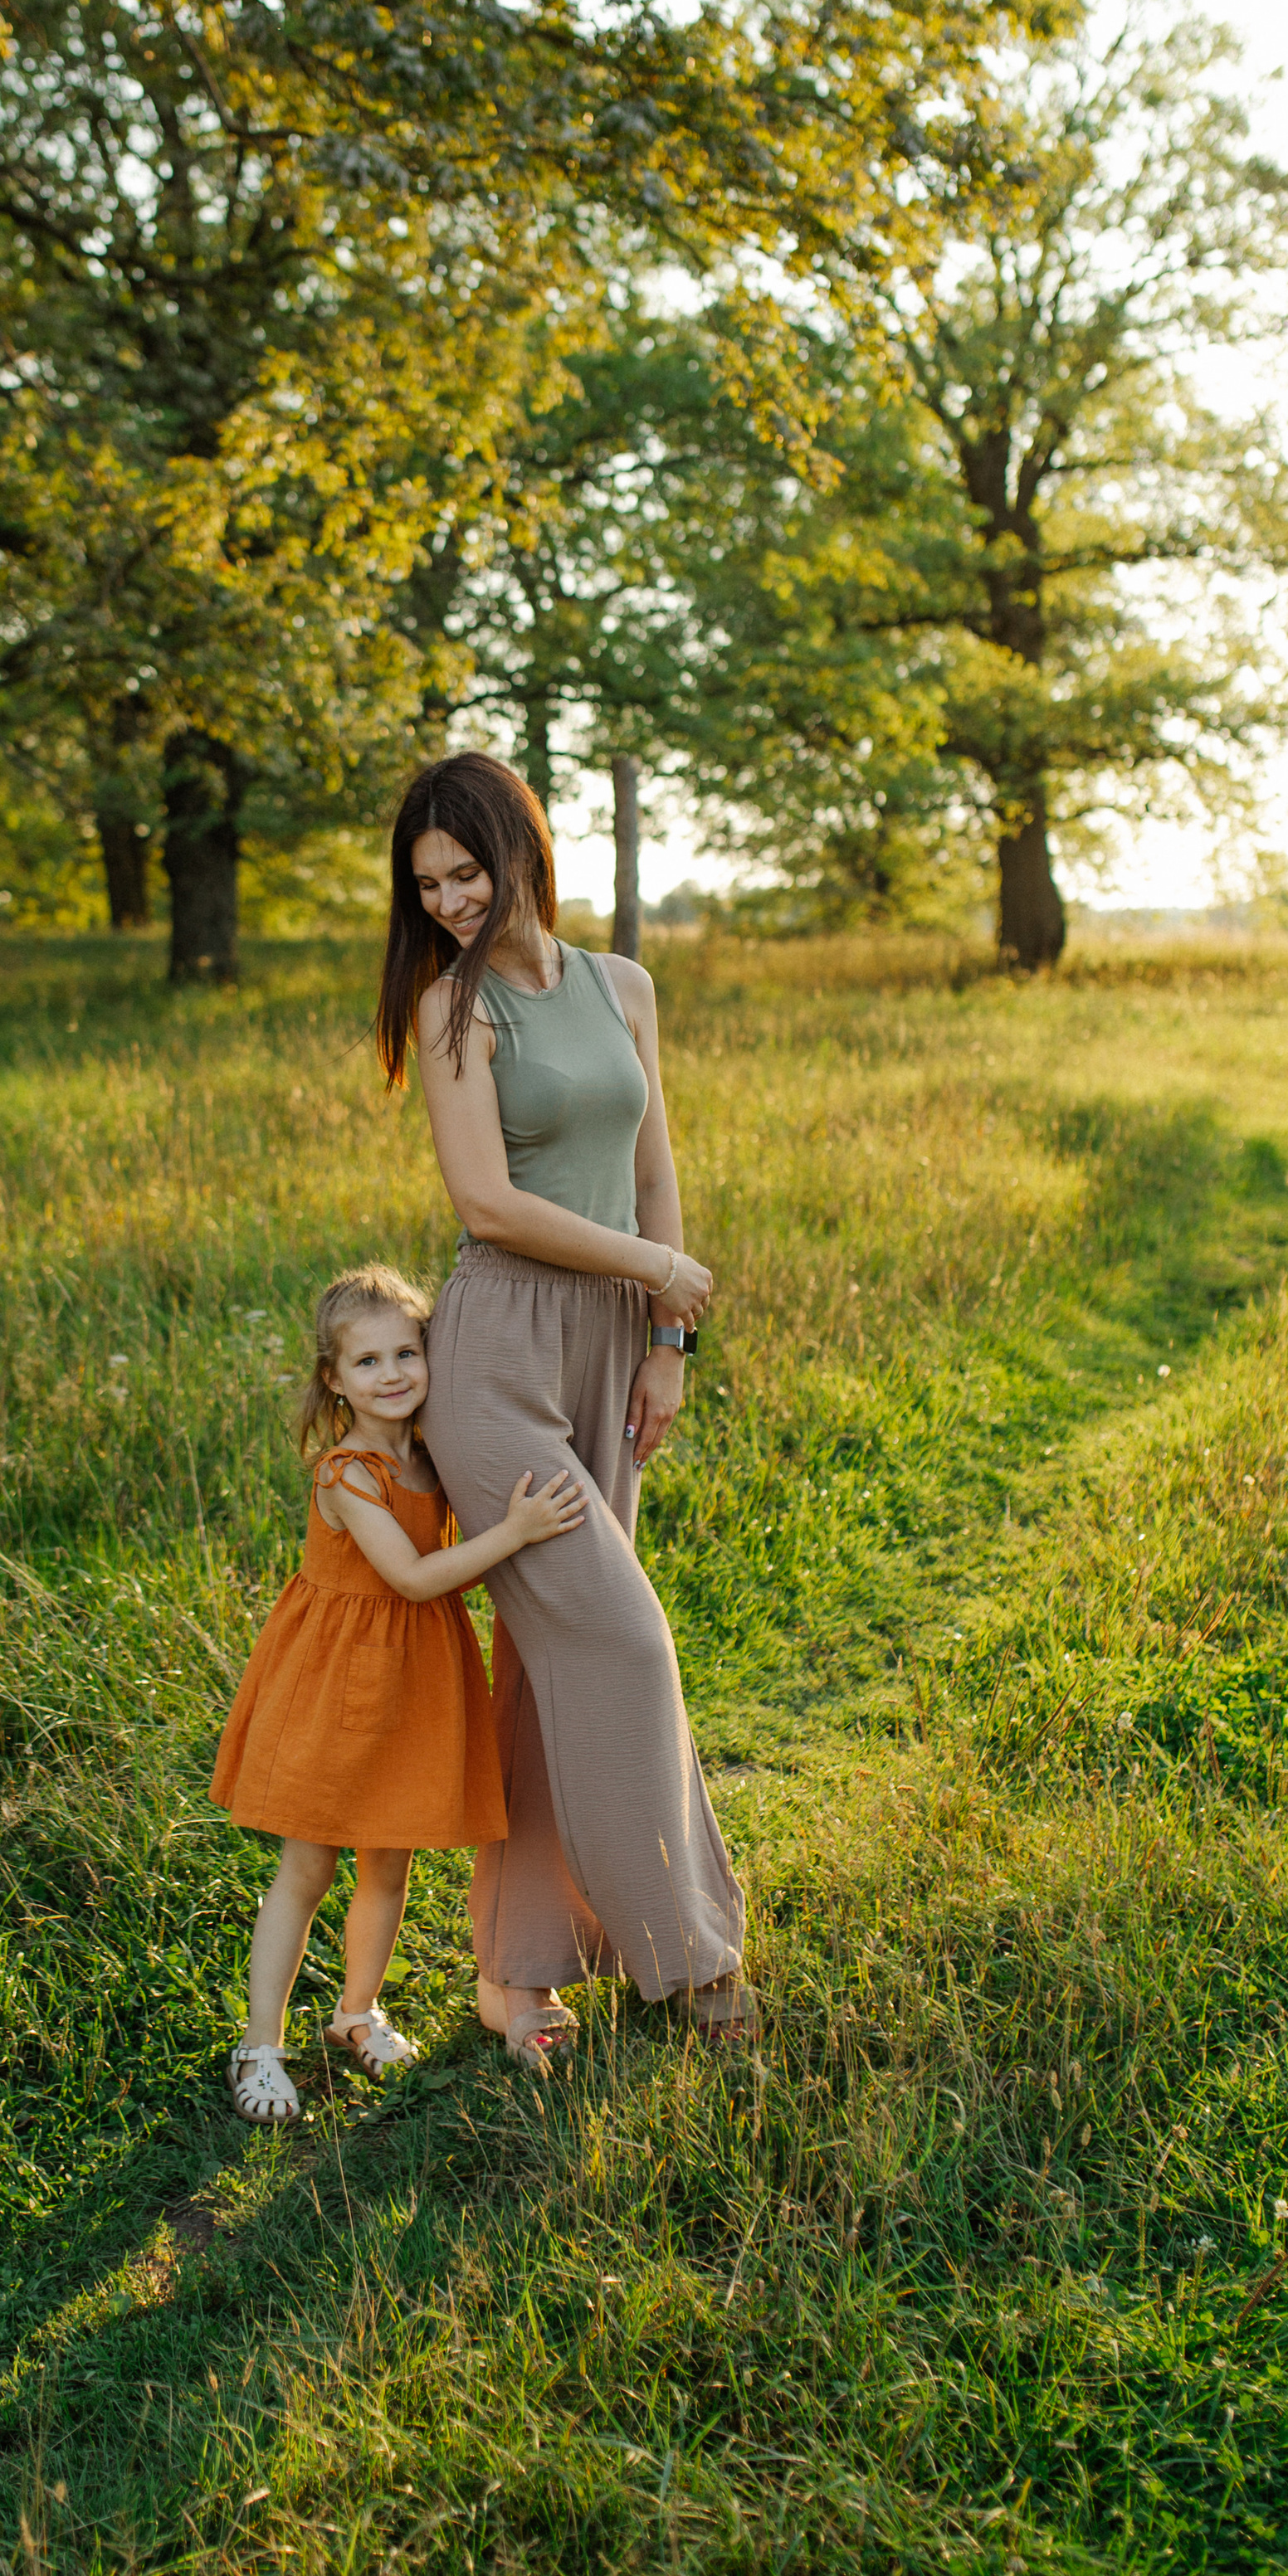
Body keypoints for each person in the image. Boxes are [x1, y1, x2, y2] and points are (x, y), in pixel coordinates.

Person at [376, 752, 749, 2070]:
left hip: (608, 1353)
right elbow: (484, 1202)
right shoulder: (450, 1011)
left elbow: (656, 1171)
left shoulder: (621, 987)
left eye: (465, 873)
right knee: (627, 1642)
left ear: (521, 849)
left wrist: (668, 1338)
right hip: (496, 1365)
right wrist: (655, 1269)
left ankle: (516, 1970)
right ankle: (692, 1958)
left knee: (549, 1671)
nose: (448, 902)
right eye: (425, 886)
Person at [211, 1261, 588, 2125]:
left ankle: (356, 2014)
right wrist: (515, 1532)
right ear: (333, 1380)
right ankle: (259, 2046)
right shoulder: (345, 1475)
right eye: (368, 1362)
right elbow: (414, 1580)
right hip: (335, 1684)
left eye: (406, 1355)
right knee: (307, 1867)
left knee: (389, 1861)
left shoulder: (432, 1462)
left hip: (411, 1686)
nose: (391, 1376)